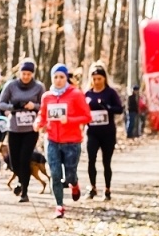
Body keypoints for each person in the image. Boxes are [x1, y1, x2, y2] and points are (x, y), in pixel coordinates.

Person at [36, 64, 92, 218]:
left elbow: (87, 117)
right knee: (54, 173)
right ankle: (59, 205)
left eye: (61, 77)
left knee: (69, 175)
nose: (58, 80)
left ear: (66, 78)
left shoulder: (76, 94)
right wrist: (38, 123)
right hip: (52, 140)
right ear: (52, 78)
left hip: (72, 142)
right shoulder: (47, 96)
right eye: (55, 77)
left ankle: (74, 184)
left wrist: (69, 120)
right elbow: (42, 114)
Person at [0, 60, 45, 200]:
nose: (26, 76)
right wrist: (13, 106)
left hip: (31, 130)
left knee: (25, 159)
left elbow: (44, 105)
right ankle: (20, 180)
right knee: (14, 161)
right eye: (23, 73)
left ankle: (24, 191)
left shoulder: (39, 87)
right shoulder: (11, 86)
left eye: (29, 74)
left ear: (33, 74)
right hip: (14, 128)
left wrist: (34, 106)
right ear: (19, 73)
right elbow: (1, 103)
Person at [85, 66, 122, 200]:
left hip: (108, 133)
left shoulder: (110, 93)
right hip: (92, 132)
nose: (97, 81)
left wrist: (108, 107)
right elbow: (82, 110)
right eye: (94, 79)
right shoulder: (88, 94)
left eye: (99, 78)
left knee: (106, 162)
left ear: (104, 78)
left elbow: (119, 109)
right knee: (91, 160)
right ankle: (92, 187)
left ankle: (107, 189)